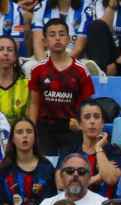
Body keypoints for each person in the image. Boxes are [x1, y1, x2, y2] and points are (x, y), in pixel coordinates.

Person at [28, 18, 94, 156]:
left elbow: (87, 105)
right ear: (45, 41)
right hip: (44, 128)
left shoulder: (81, 70)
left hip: (72, 128)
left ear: (69, 39)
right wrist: (32, 129)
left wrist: (81, 125)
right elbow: (34, 104)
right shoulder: (37, 70)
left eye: (62, 34)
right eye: (52, 35)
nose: (57, 38)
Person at [0, 118, 56, 205]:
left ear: (35, 137)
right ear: (13, 139)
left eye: (29, 131)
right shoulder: (4, 169)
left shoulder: (46, 167)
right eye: (19, 132)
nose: (25, 136)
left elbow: (50, 203)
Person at [72, 99, 121, 199]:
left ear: (103, 123)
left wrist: (98, 148)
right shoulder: (71, 149)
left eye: (96, 117)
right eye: (87, 117)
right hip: (76, 204)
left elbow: (110, 179)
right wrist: (99, 176)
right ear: (80, 124)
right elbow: (61, 184)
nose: (92, 121)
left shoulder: (113, 151)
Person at [0, 35, 29, 122]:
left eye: (10, 50)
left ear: (16, 56)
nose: (5, 53)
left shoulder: (26, 85)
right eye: (1, 49)